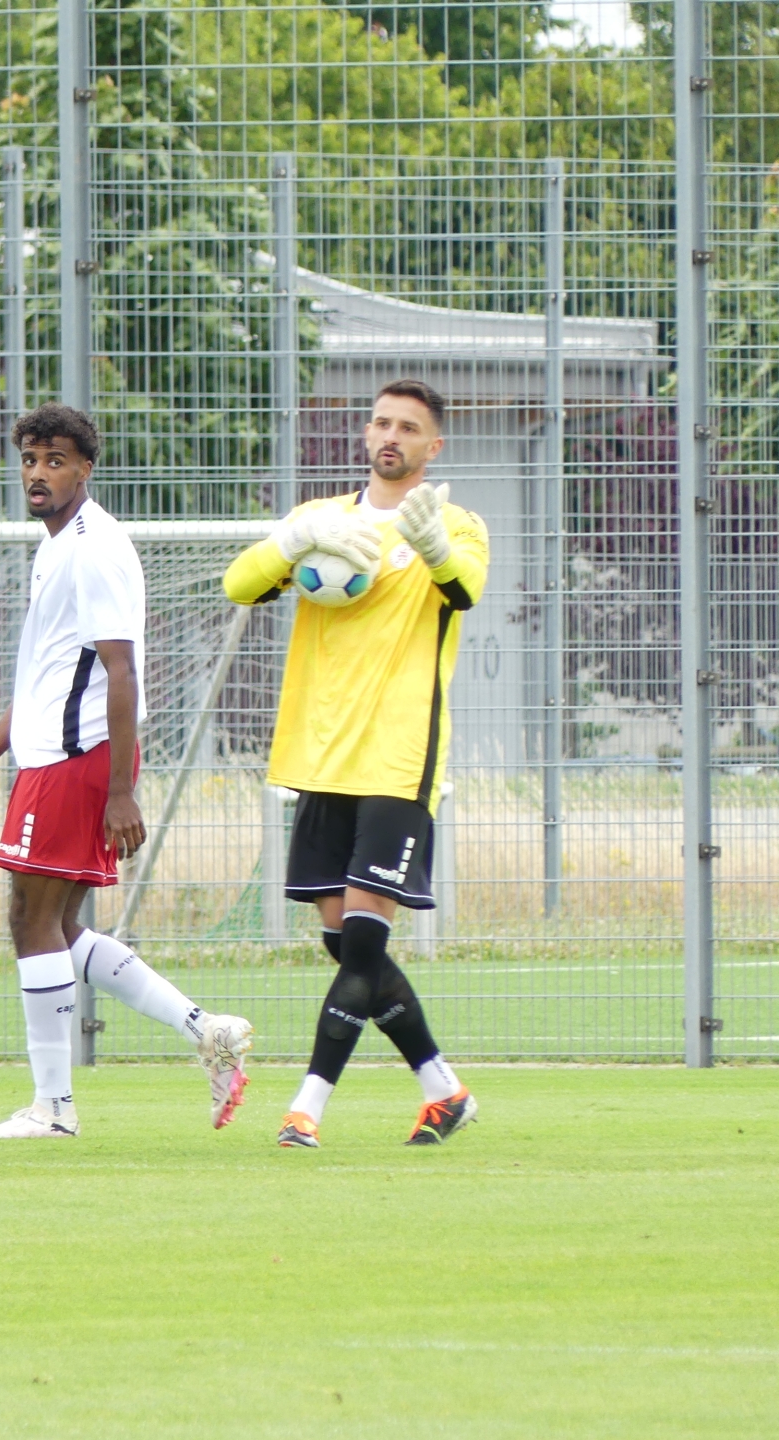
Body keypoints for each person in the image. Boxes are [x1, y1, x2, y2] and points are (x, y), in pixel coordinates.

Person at [0, 403, 255, 1139]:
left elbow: (122, 671)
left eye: (55, 461)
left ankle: (53, 1109)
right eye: (30, 459)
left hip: (79, 761)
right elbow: (47, 675)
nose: (38, 473)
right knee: (58, 924)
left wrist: (120, 790)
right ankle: (207, 1030)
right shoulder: (57, 545)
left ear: (85, 468)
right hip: (56, 756)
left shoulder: (93, 549)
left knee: (30, 919)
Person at [222, 379, 487, 1148]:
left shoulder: (455, 524)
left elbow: (466, 589)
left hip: (399, 761)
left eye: (408, 427)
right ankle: (444, 1090)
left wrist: (433, 549)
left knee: (364, 947)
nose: (390, 435)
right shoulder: (322, 521)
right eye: (381, 423)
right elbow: (240, 585)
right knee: (347, 947)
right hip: (322, 755)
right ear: (367, 434)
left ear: (433, 446)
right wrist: (291, 545)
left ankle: (306, 1107)